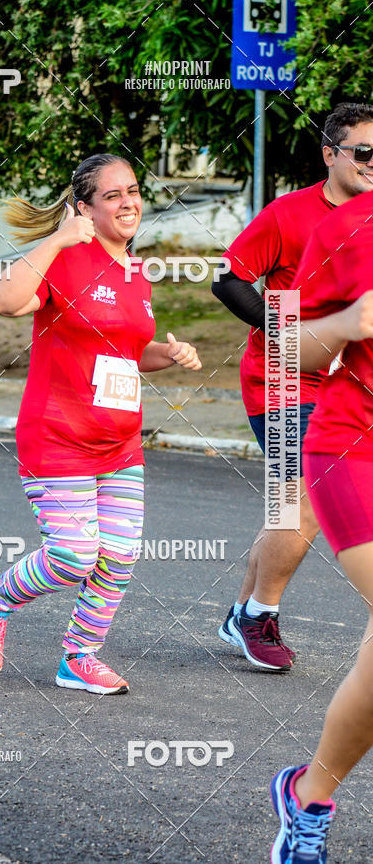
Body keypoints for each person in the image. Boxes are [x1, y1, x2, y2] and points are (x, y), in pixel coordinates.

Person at [0, 153, 201, 694]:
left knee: (117, 556)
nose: (128, 203)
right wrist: (56, 241)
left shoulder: (137, 273)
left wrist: (169, 353)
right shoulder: (64, 261)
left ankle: (80, 656)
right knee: (74, 556)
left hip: (119, 443)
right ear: (83, 207)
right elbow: (5, 301)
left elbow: (125, 353)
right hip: (57, 437)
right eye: (112, 195)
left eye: (133, 191)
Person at [211, 102, 373, 671]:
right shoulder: (289, 214)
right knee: (303, 498)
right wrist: (283, 329)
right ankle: (259, 615)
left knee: (290, 505)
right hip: (282, 377)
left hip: (349, 387)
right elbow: (226, 279)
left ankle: (241, 613)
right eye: (364, 153)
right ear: (330, 154)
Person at [269, 188, 373, 862]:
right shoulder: (352, 230)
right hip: (354, 446)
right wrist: (349, 325)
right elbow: (288, 345)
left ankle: (308, 794)